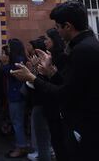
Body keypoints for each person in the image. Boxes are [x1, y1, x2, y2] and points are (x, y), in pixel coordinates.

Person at [12, 1, 99, 161]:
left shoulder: (84, 50)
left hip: (86, 131)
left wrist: (31, 77)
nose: (57, 32)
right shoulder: (81, 46)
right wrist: (51, 72)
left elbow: (65, 93)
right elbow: (72, 85)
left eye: (58, 27)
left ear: (67, 26)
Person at [42, 28, 69, 161]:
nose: (45, 41)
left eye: (47, 38)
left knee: (61, 144)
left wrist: (46, 72)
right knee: (56, 141)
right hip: (51, 107)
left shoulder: (62, 57)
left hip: (59, 108)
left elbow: (63, 84)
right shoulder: (50, 56)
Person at [2, 39, 29, 158]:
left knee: (17, 121)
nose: (7, 49)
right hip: (15, 95)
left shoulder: (18, 61)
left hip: (17, 95)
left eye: (9, 47)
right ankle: (20, 144)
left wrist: (4, 64)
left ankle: (21, 147)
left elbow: (12, 72)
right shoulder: (18, 59)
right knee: (17, 121)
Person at [26, 37, 52, 161]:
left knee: (42, 133)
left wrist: (33, 71)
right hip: (39, 99)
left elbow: (40, 79)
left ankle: (42, 153)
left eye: (49, 38)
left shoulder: (46, 59)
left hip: (41, 100)